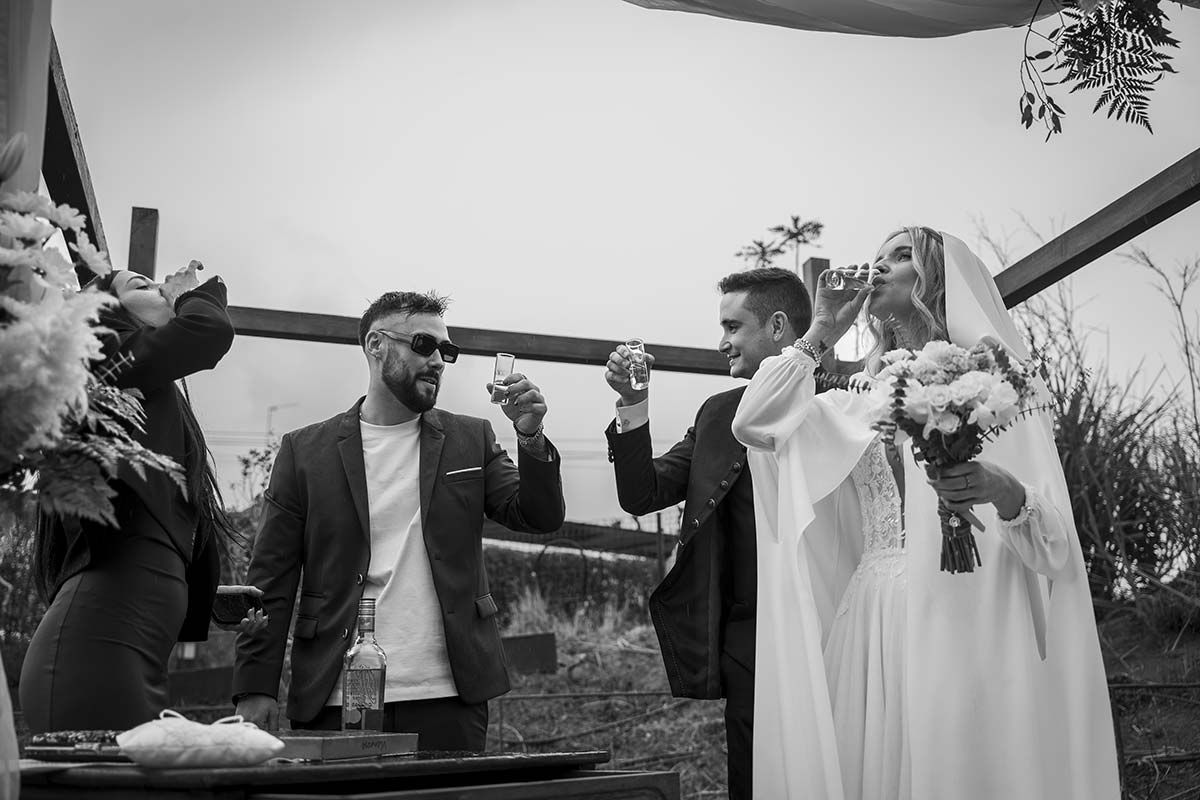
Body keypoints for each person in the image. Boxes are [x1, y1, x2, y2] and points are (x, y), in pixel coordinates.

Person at [731, 228, 1120, 799]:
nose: (879, 265)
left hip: (972, 617)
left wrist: (1000, 487)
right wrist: (820, 332)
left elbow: (1055, 546)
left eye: (900, 255)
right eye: (877, 255)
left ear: (934, 277)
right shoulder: (856, 400)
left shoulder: (997, 386)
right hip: (874, 627)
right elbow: (754, 422)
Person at [232, 290, 565, 750]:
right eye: (424, 345)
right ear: (375, 345)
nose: (438, 361)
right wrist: (255, 686)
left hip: (448, 694)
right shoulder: (304, 451)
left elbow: (538, 515)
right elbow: (271, 577)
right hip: (333, 691)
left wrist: (530, 436)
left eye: (446, 351)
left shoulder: (471, 439)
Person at [21, 262, 266, 733]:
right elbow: (207, 330)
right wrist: (187, 295)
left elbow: (150, 524)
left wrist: (205, 596)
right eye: (142, 285)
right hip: (97, 651)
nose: (160, 289)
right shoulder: (95, 356)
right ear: (103, 308)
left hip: (130, 648)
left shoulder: (144, 387)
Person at [604, 267, 812, 800]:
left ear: (780, 326)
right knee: (752, 779)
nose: (722, 342)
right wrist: (632, 403)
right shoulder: (720, 414)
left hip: (832, 622)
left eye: (732, 327)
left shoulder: (838, 401)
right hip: (748, 639)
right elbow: (643, 493)